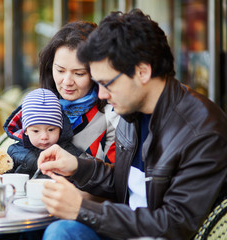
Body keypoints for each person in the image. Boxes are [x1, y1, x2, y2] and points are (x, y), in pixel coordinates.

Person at [37, 9, 227, 240]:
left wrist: (82, 208)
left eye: (107, 83)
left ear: (142, 72)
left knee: (60, 231)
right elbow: (124, 183)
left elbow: (176, 224)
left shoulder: (202, 129)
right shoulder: (131, 111)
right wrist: (77, 166)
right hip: (125, 229)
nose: (102, 94)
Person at [39, 21, 119, 164]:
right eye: (60, 70)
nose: (67, 81)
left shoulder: (112, 115)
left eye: (79, 73)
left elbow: (115, 178)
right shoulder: (38, 105)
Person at [3, 88, 82, 178]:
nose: (44, 137)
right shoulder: (15, 152)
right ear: (25, 130)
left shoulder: (68, 152)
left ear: (60, 128)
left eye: (51, 130)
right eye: (36, 131)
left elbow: (83, 174)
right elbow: (4, 178)